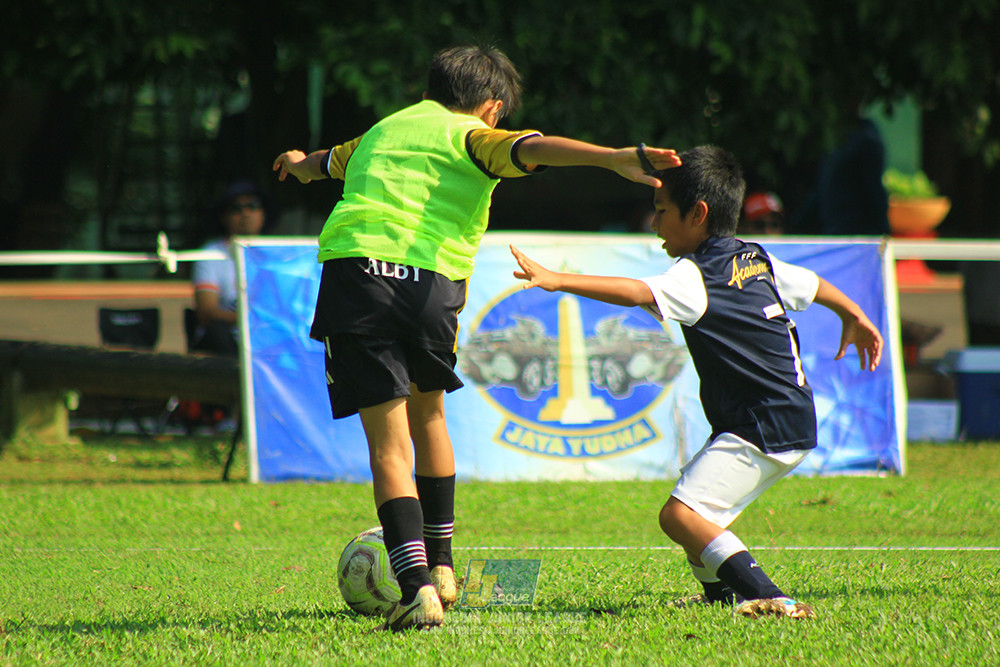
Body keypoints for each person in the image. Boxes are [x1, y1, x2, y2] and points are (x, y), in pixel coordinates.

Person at [271, 44, 681, 631]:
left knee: (389, 447)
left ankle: (413, 588)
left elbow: (320, 164)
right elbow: (532, 149)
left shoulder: (381, 133)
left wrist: (293, 160)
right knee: (429, 417)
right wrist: (611, 157)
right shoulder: (474, 136)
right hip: (432, 288)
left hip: (359, 274)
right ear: (492, 107)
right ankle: (439, 567)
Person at [510, 145, 883, 619]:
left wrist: (557, 279)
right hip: (784, 416)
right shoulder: (755, 258)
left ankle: (773, 598)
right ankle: (720, 597)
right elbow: (812, 284)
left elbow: (634, 291)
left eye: (662, 211)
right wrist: (853, 314)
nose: (654, 223)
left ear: (698, 214)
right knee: (701, 514)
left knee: (680, 516)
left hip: (762, 424)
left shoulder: (695, 275)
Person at [190, 181, 275, 357]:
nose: (245, 214)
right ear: (223, 217)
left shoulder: (276, 252)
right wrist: (254, 320)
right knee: (217, 331)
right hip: (227, 341)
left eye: (252, 206)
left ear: (263, 213)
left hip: (269, 338)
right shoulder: (211, 254)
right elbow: (206, 312)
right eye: (236, 208)